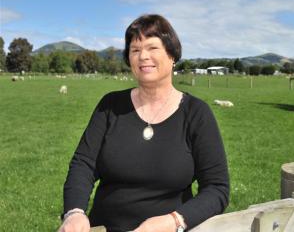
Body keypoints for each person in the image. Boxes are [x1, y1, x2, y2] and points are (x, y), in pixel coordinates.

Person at [58, 14, 229, 232]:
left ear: (172, 54)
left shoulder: (196, 113)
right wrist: (74, 213)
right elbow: (83, 164)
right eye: (135, 50)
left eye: (152, 48)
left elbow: (217, 188)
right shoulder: (110, 105)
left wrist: (174, 221)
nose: (143, 56)